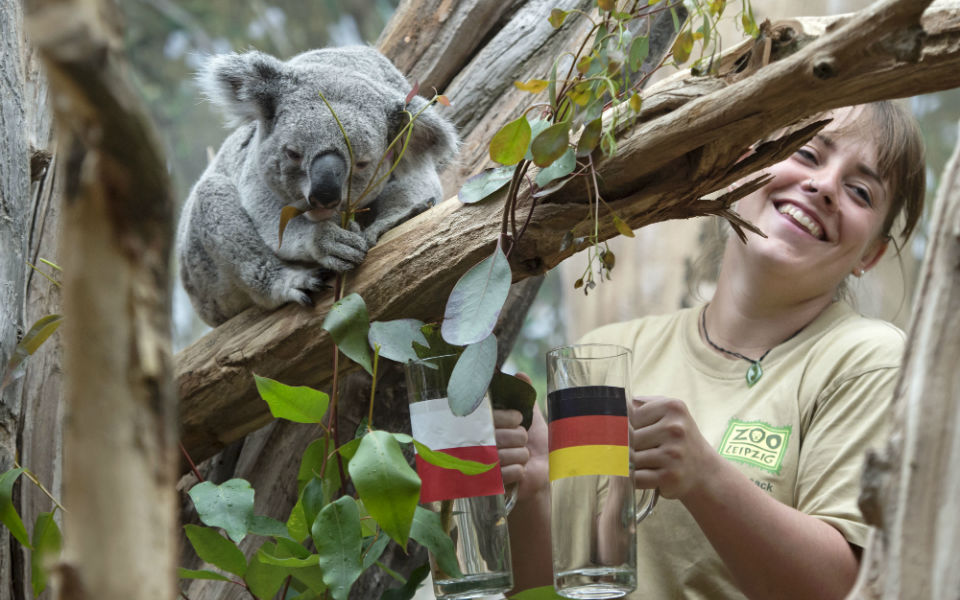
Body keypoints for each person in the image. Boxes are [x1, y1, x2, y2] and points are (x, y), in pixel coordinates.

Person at [493, 101, 926, 599]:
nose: (824, 186)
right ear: (744, 165)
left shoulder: (869, 361)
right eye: (807, 153)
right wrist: (534, 490)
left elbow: (851, 590)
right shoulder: (607, 355)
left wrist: (707, 478)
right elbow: (554, 587)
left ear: (869, 255)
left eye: (859, 191)